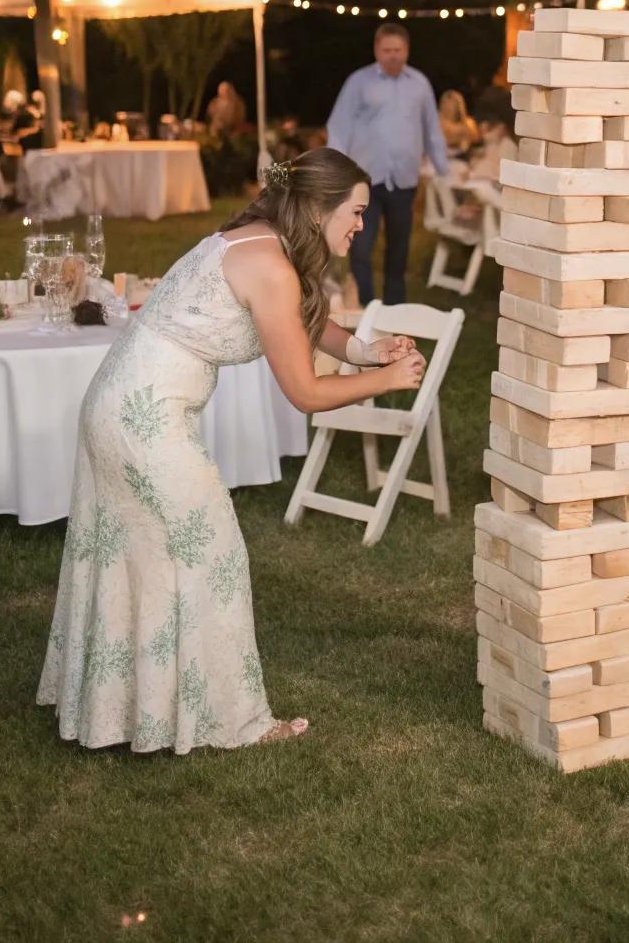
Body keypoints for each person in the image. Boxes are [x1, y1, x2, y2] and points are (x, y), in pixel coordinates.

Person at [37, 148, 425, 754]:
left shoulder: (255, 240)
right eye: (355, 211)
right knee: (213, 557)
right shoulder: (271, 264)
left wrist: (366, 352)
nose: (361, 225)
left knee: (140, 558)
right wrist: (389, 381)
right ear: (320, 208)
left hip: (116, 407)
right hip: (144, 423)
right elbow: (304, 392)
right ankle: (235, 722)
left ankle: (129, 712)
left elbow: (300, 321)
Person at [327, 22, 449, 304]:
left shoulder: (419, 84)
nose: (393, 55)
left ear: (407, 50)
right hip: (364, 181)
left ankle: (394, 308)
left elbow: (432, 129)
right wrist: (337, 173)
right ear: (376, 51)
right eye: (387, 50)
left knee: (398, 250)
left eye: (398, 50)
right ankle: (368, 306)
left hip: (404, 180)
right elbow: (339, 126)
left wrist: (444, 171)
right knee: (360, 248)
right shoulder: (358, 82)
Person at [438, 89, 479, 157]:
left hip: (462, 158)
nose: (450, 108)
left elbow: (472, 145)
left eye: (453, 105)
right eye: (447, 104)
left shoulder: (469, 124)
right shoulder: (436, 124)